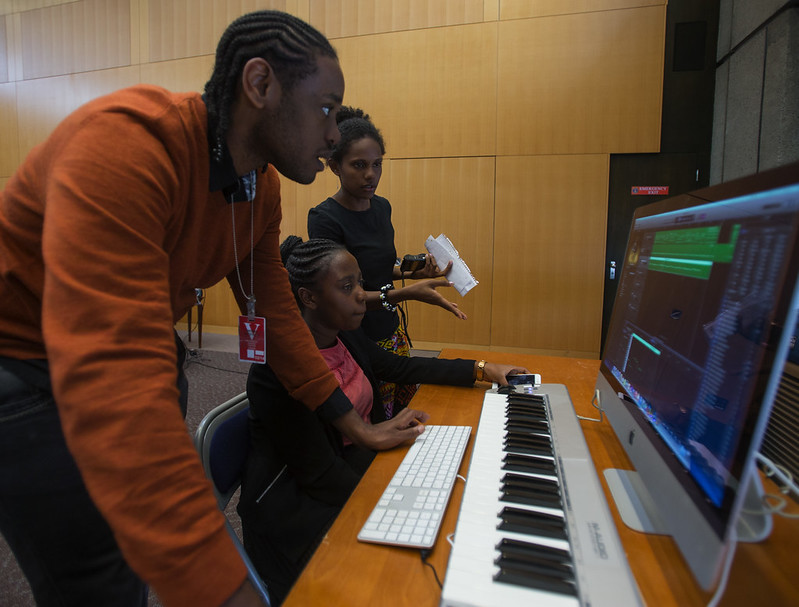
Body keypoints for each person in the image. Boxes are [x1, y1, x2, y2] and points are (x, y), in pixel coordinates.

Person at [0, 11, 419, 607]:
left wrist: (355, 425)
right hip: (22, 366)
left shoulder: (259, 186)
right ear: (260, 84)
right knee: (96, 574)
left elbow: (274, 314)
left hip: (138, 347)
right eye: (326, 109)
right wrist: (225, 591)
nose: (334, 135)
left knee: (133, 554)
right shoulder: (126, 145)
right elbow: (115, 383)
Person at [238, 236, 528, 603]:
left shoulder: (344, 336)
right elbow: (321, 477)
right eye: (348, 287)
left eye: (360, 283)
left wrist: (481, 369)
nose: (362, 295)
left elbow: (399, 367)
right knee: (420, 567)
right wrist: (410, 498)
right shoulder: (276, 372)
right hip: (299, 518)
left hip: (352, 470)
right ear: (308, 298)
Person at [308, 107, 467, 418]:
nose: (371, 174)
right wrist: (406, 293)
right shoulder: (325, 218)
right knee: (374, 419)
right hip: (357, 337)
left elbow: (374, 269)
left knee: (404, 415)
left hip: (391, 331)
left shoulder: (381, 208)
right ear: (335, 166)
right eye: (359, 165)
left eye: (377, 164)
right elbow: (341, 295)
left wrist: (410, 273)